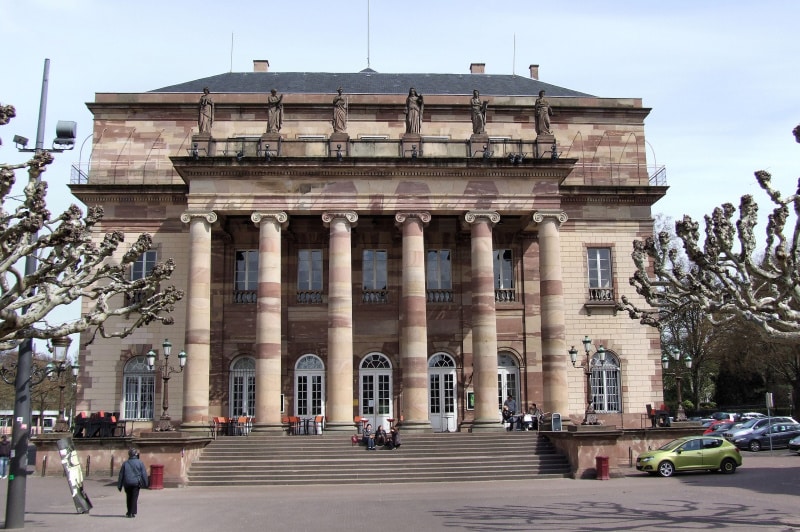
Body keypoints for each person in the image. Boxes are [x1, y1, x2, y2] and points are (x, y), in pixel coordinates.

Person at [117, 448, 149, 518]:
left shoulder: (125, 463)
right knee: (134, 497)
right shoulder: (140, 462)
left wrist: (119, 485)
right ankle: (132, 512)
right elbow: (144, 473)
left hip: (127, 483)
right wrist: (146, 483)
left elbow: (121, 475)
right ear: (136, 454)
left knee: (128, 497)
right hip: (136, 483)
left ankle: (129, 512)